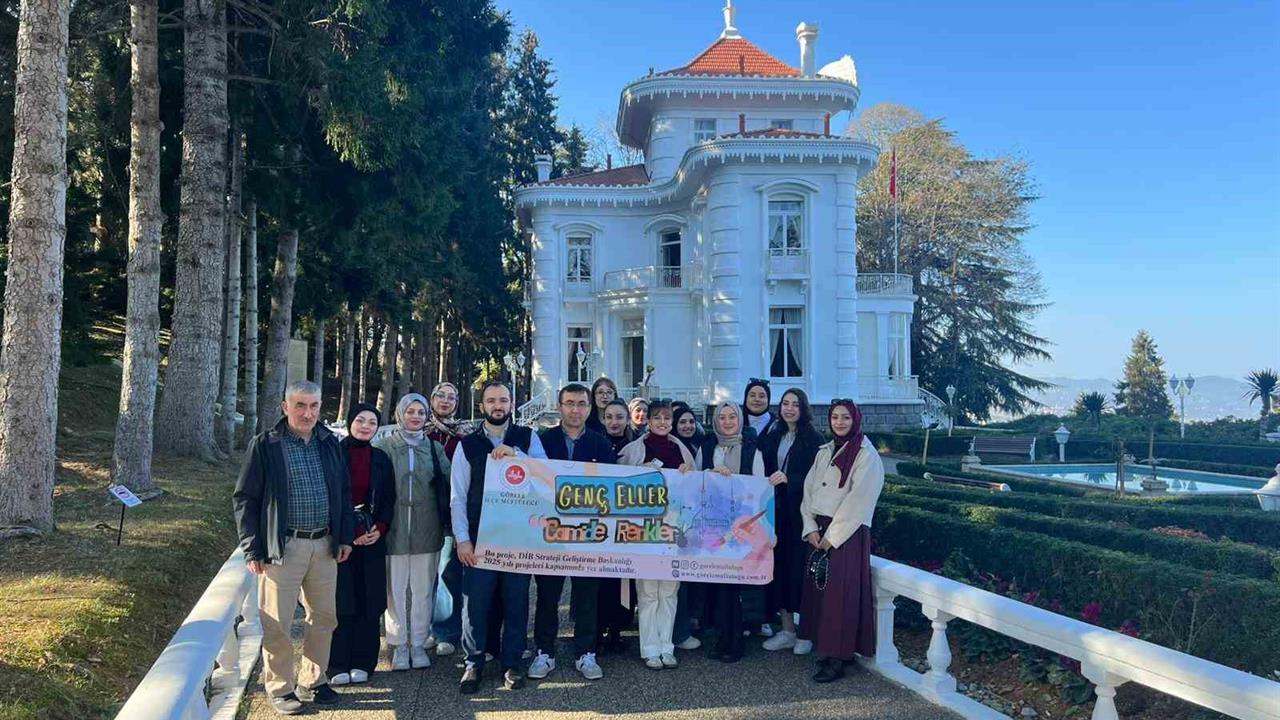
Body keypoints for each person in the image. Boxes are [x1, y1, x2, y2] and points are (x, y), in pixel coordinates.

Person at [233, 381, 353, 716]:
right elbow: (245, 499)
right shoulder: (266, 445)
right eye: (300, 405)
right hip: (282, 548)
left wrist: (344, 536)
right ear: (285, 407)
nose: (308, 413)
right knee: (278, 624)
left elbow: (343, 492)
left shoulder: (329, 443)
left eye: (314, 406)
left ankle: (313, 679)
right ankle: (280, 687)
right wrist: (252, 549)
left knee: (324, 618)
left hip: (325, 545)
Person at [451, 381, 548, 694]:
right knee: (475, 605)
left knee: (516, 603)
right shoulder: (467, 444)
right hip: (479, 539)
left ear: (511, 404)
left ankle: (511, 664)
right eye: (491, 400)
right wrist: (462, 540)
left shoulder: (527, 438)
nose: (498, 406)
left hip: (517, 538)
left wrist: (518, 456)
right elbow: (457, 496)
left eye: (503, 400)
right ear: (482, 406)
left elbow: (547, 477)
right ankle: (473, 663)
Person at [529, 383, 617, 681]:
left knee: (587, 595)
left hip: (588, 534)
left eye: (581, 403)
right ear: (559, 406)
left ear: (590, 408)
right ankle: (544, 652)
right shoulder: (543, 441)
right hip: (551, 534)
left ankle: (585, 653)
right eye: (570, 403)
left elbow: (613, 489)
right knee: (547, 595)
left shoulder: (600, 443)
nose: (575, 409)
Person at [798, 400, 885, 683]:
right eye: (835, 417)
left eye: (845, 417)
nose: (839, 422)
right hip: (819, 531)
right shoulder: (825, 451)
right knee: (821, 594)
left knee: (841, 596)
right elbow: (809, 489)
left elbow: (858, 502)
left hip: (845, 535)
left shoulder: (866, 454)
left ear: (855, 419)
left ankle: (838, 657)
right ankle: (824, 649)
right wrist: (810, 527)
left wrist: (830, 538)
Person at [374, 393, 451, 671]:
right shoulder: (384, 447)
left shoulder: (434, 449)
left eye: (421, 412)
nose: (415, 417)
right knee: (394, 592)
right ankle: (399, 644)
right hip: (393, 529)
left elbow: (449, 482)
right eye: (410, 412)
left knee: (422, 590)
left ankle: (418, 644)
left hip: (426, 528)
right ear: (400, 414)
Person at [618, 399, 695, 670]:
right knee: (648, 592)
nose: (662, 422)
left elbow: (696, 491)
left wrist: (689, 473)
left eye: (667, 418)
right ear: (647, 421)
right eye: (657, 418)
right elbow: (620, 487)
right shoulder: (634, 450)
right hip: (644, 531)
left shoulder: (682, 449)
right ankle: (650, 648)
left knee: (669, 592)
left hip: (674, 530)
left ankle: (667, 647)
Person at [328, 404, 396, 686]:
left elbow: (389, 499)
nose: (365, 426)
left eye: (372, 422)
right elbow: (331, 498)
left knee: (370, 601)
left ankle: (364, 661)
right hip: (342, 540)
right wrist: (348, 532)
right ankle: (337, 662)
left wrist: (379, 529)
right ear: (349, 423)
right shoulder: (333, 454)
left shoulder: (381, 458)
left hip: (372, 540)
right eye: (360, 420)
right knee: (342, 601)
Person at [695, 401, 765, 664]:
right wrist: (710, 474)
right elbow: (695, 480)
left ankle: (736, 640)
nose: (726, 422)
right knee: (719, 584)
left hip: (742, 528)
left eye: (731, 417)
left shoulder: (751, 450)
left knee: (735, 587)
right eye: (721, 417)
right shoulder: (707, 447)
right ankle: (722, 636)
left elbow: (757, 487)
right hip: (713, 526)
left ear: (739, 420)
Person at [758, 389, 823, 655]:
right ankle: (787, 629)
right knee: (781, 570)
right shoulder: (774, 434)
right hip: (776, 513)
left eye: (795, 404)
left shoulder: (813, 438)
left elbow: (818, 478)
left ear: (803, 408)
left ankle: (806, 632)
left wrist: (791, 479)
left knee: (801, 571)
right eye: (785, 403)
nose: (789, 408)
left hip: (801, 515)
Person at [426, 381, 473, 658]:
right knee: (423, 576)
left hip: (451, 510)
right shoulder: (421, 431)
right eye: (440, 395)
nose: (445, 400)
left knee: (447, 573)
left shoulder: (464, 434)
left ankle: (445, 631)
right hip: (423, 510)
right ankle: (426, 628)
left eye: (451, 397)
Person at [595, 396, 635, 653]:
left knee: (623, 578)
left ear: (627, 419)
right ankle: (597, 628)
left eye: (619, 417)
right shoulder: (596, 442)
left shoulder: (636, 446)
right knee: (600, 577)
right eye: (609, 417)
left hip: (627, 521)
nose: (614, 422)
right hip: (598, 520)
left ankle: (618, 629)